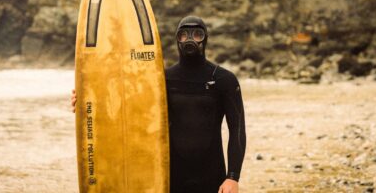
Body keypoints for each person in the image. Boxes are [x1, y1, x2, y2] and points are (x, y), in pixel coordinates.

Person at [71, 16, 246, 193]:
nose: (190, 39)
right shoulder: (162, 79)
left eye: (197, 34)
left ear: (205, 38)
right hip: (169, 177)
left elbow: (237, 128)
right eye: (184, 35)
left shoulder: (224, 80)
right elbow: (127, 110)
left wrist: (232, 177)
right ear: (177, 39)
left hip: (212, 177)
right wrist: (86, 101)